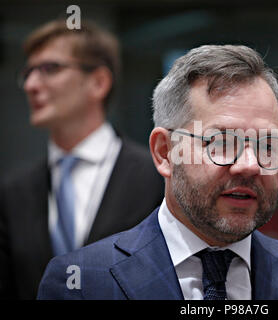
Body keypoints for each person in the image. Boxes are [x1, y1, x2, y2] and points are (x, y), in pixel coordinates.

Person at [37, 44, 278, 300]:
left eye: (267, 145)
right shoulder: (81, 284)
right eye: (221, 142)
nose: (250, 164)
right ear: (165, 152)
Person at [0, 20, 164, 299]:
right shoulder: (13, 191)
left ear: (99, 82)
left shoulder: (156, 177)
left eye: (49, 69)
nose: (30, 85)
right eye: (27, 73)